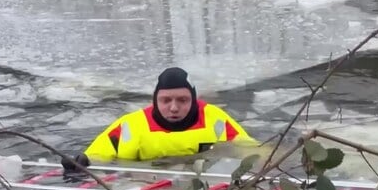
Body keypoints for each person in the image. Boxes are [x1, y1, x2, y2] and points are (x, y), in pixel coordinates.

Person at [64, 67, 253, 169]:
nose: (173, 107)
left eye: (182, 100)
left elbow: (248, 147)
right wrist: (82, 161)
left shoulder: (214, 118)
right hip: (145, 187)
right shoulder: (132, 125)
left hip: (202, 186)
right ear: (155, 100)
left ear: (194, 100)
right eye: (166, 100)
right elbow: (98, 153)